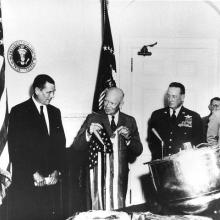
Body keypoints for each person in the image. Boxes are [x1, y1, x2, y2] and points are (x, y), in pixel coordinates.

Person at [71, 87, 143, 210]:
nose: (107, 105)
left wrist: (128, 138)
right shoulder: (93, 118)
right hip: (96, 178)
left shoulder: (129, 121)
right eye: (106, 101)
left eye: (112, 103)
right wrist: (88, 132)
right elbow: (77, 146)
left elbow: (138, 150)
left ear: (121, 104)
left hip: (118, 180)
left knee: (117, 211)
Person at [8, 74, 66, 220]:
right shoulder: (19, 111)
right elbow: (16, 148)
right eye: (48, 92)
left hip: (51, 181)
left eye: (53, 92)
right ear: (37, 90)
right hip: (28, 179)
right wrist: (33, 172)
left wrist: (57, 170)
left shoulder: (55, 112)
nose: (52, 96)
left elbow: (60, 144)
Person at [148, 82, 204, 160]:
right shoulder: (157, 115)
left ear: (182, 97)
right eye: (168, 96)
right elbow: (152, 141)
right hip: (162, 164)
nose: (170, 99)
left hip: (185, 165)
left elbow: (199, 145)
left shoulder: (194, 117)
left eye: (174, 96)